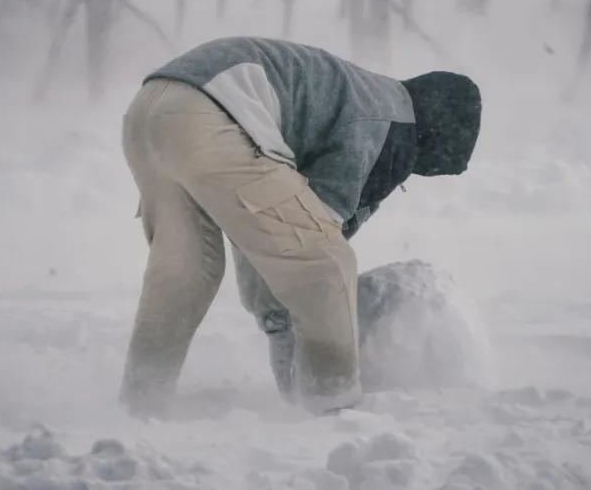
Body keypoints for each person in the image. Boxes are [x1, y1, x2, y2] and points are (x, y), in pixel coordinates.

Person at [120, 36, 481, 415]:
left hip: (150, 111)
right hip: (212, 111)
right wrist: (282, 325)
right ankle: (332, 405)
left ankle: (143, 402)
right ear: (430, 134)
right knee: (325, 264)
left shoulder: (359, 93)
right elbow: (303, 242)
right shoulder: (386, 119)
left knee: (186, 272)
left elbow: (272, 229)